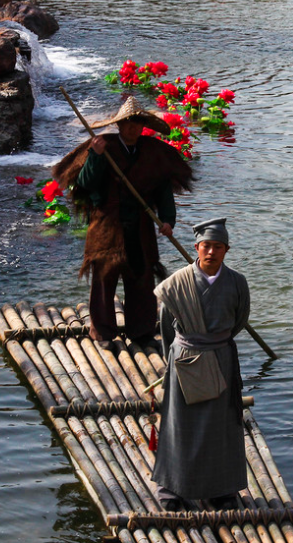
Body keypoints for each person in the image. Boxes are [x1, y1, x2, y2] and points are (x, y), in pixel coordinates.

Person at [53, 96, 193, 348]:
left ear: (142, 126)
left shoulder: (152, 151)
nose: (132, 128)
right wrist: (95, 157)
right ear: (119, 125)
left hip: (140, 225)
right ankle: (103, 334)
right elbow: (85, 183)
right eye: (128, 123)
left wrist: (167, 220)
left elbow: (163, 190)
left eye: (137, 123)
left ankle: (141, 332)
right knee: (104, 280)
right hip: (107, 224)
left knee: (141, 278)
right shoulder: (102, 146)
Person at [151, 217, 250, 511]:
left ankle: (221, 491)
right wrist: (186, 351)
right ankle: (172, 488)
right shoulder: (176, 284)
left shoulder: (236, 282)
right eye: (206, 246)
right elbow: (167, 327)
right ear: (196, 247)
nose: (211, 252)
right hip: (185, 360)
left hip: (221, 357)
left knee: (220, 426)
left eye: (218, 247)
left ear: (226, 250)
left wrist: (214, 345)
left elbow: (239, 320)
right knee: (180, 424)